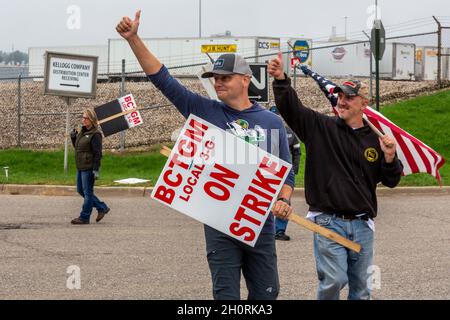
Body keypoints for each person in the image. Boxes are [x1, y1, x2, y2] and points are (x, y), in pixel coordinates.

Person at [116, 11, 295, 300]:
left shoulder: (271, 122)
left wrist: (284, 199)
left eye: (226, 77)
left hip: (259, 225)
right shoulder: (206, 111)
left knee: (266, 297)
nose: (218, 82)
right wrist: (133, 39)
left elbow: (285, 172)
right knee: (226, 298)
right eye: (215, 78)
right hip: (220, 225)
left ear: (246, 80)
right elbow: (163, 80)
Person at [268, 55, 403, 300]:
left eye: (349, 97)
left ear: (364, 103)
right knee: (334, 280)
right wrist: (281, 80)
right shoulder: (320, 128)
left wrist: (390, 157)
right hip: (329, 221)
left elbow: (392, 181)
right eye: (340, 96)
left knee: (361, 289)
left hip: (363, 224)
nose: (341, 101)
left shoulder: (376, 139)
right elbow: (292, 110)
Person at [70, 109, 110, 225]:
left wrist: (96, 169)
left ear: (91, 120)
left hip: (89, 167)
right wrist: (74, 137)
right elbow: (78, 148)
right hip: (80, 166)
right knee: (81, 190)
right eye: (82, 117)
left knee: (87, 193)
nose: (83, 120)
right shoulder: (82, 132)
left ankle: (84, 217)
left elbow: (98, 153)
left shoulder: (95, 134)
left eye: (85, 118)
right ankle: (101, 207)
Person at [270, 106, 301, 241]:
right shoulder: (262, 131)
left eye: (278, 116)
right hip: (267, 173)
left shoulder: (289, 133)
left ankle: (280, 231)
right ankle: (267, 230)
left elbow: (297, 152)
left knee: (284, 201)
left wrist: (294, 169)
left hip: (284, 174)